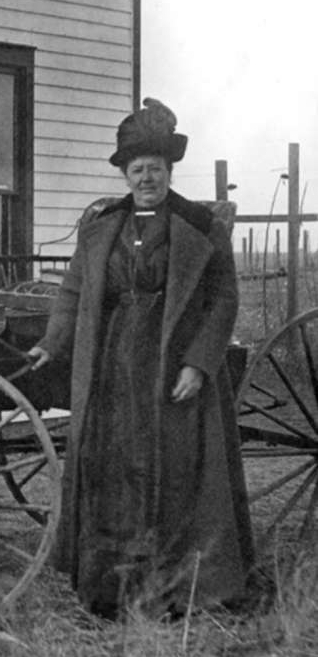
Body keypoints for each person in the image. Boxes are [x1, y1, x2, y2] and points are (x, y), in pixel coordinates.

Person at [27, 98, 253, 620]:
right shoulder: (103, 227)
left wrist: (198, 362)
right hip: (111, 366)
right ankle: (113, 589)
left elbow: (224, 300)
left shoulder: (200, 226)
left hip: (173, 364)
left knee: (175, 472)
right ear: (126, 177)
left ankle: (178, 588)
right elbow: (73, 292)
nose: (146, 177)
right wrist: (51, 343)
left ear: (168, 171)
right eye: (137, 170)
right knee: (112, 468)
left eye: (154, 168)